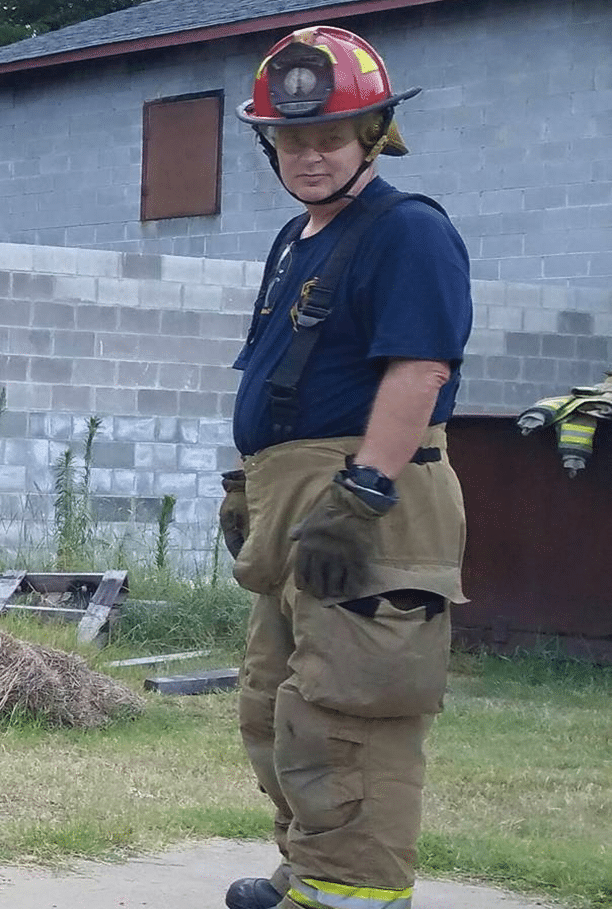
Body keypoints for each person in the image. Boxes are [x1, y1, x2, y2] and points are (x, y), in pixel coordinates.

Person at [219, 24, 472, 909]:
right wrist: (247, 486)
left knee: (348, 712)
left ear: (373, 134)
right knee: (274, 705)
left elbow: (420, 369)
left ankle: (353, 893)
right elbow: (284, 371)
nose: (310, 155)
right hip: (299, 505)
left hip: (371, 501)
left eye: (330, 136)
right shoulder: (299, 237)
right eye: (292, 139)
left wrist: (362, 493)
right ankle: (314, 873)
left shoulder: (408, 232)